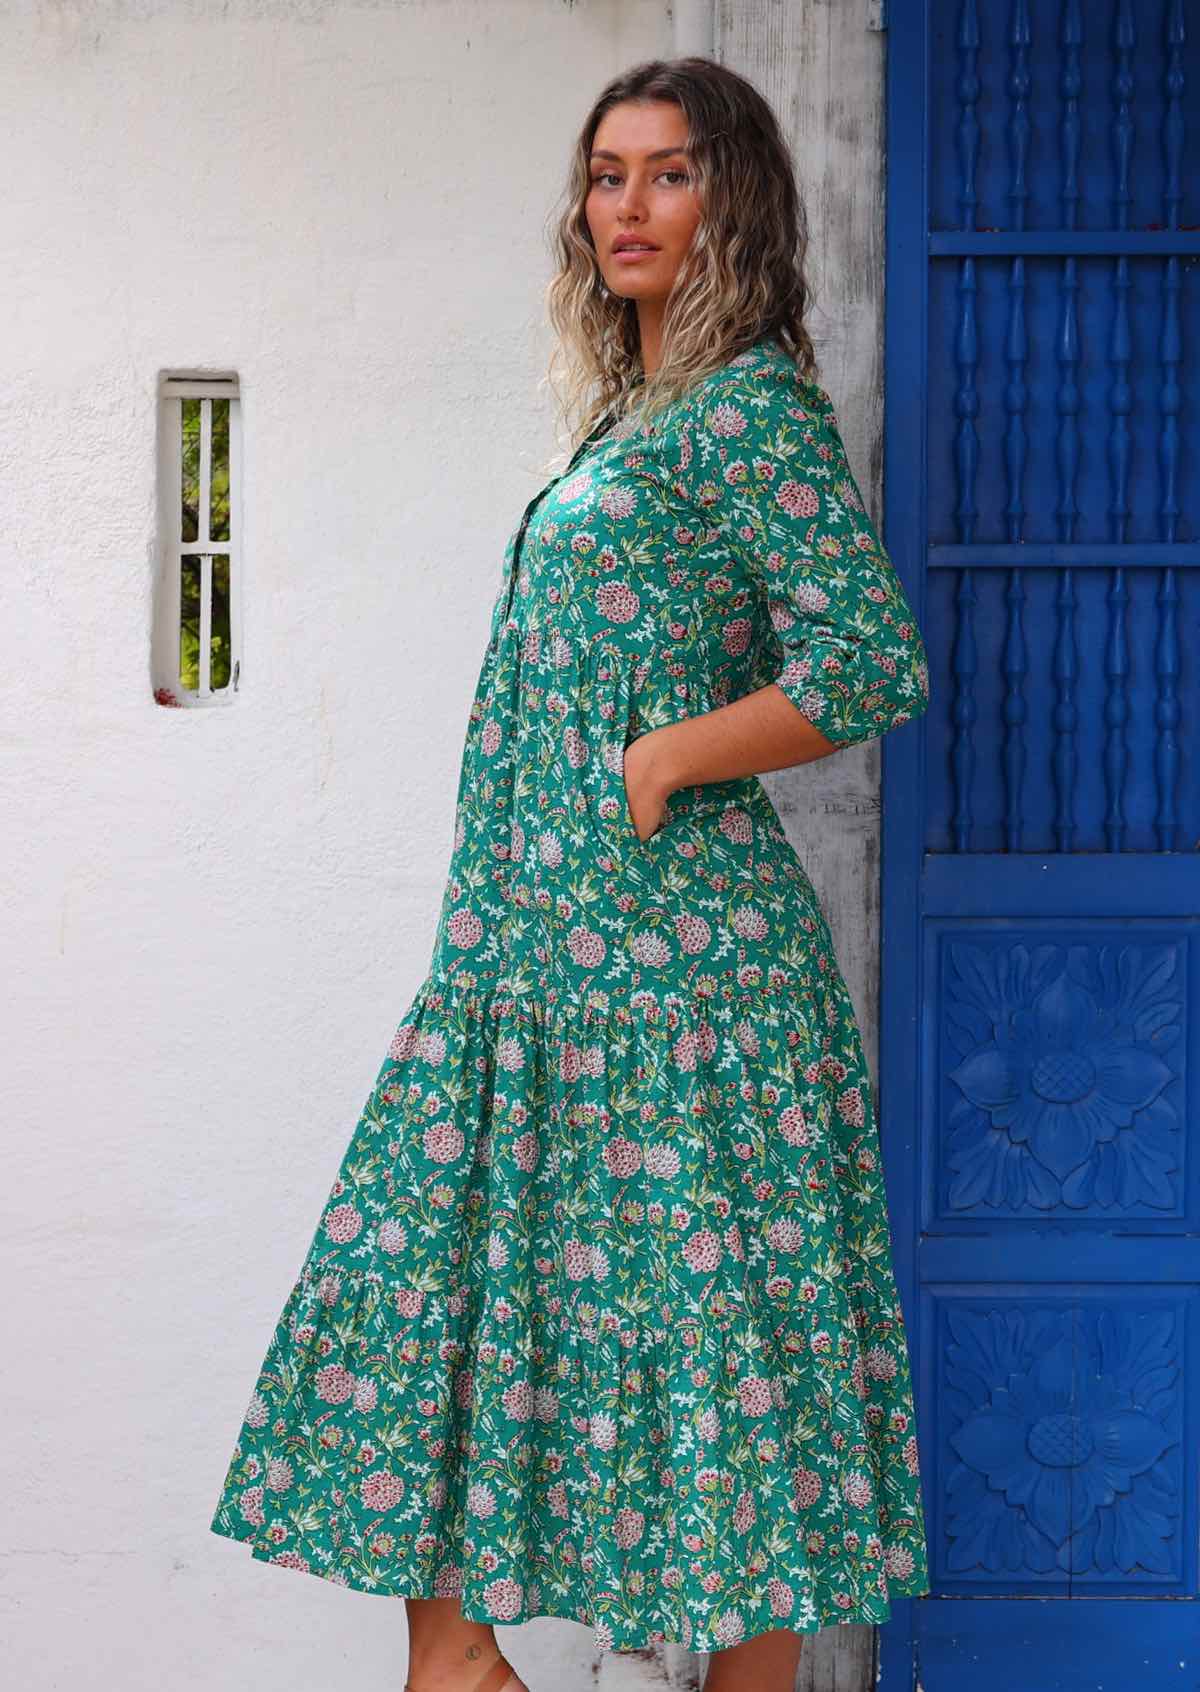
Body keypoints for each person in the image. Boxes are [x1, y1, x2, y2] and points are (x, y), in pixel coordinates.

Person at [209, 54, 931, 1692]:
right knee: (459, 1576)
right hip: (534, 974)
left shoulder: (750, 409)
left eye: (669, 174)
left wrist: (660, 760)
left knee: (727, 1441)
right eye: (607, 174)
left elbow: (872, 657)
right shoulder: (641, 419)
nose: (628, 205)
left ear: (731, 198)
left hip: (683, 987)